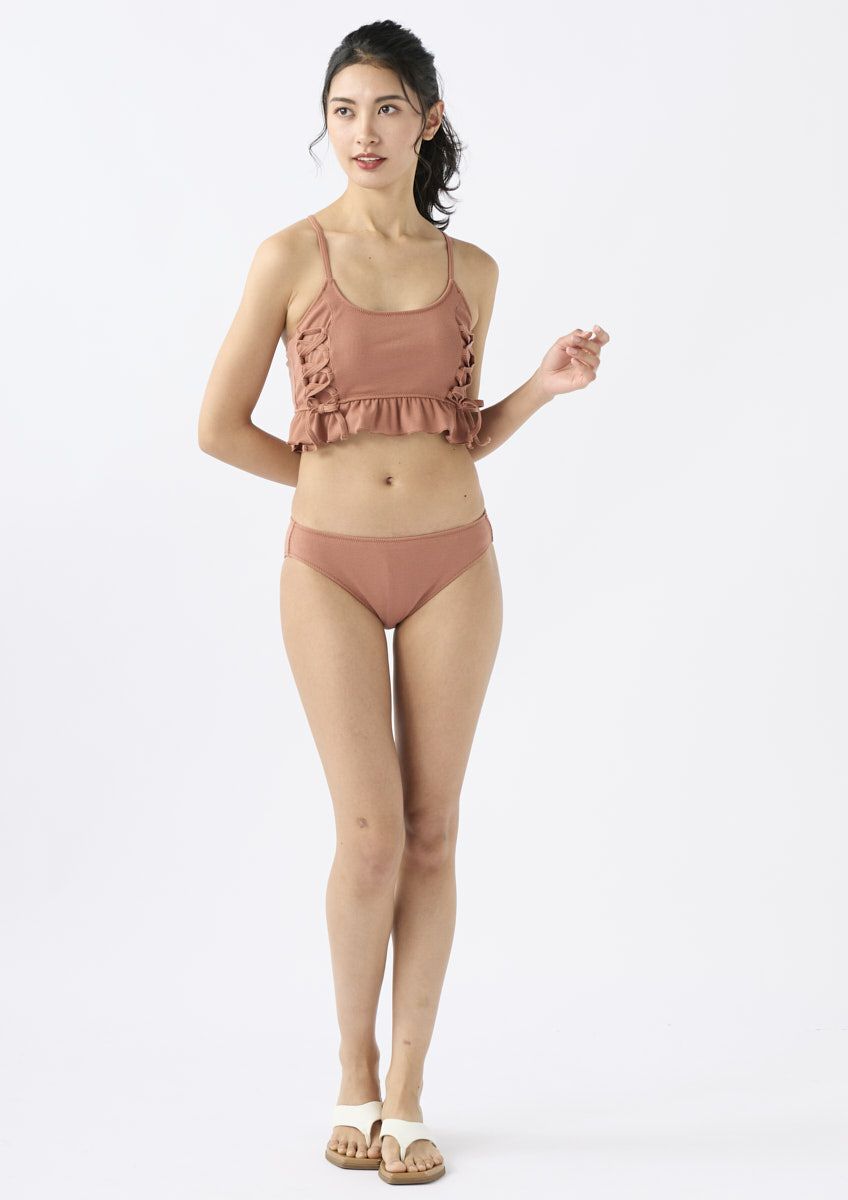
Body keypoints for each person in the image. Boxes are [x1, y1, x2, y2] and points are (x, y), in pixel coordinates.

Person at [198, 20, 608, 1185]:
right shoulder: (288, 256)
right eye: (343, 110)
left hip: (454, 568)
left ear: (427, 120)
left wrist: (541, 388)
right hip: (327, 567)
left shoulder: (472, 271)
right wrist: (327, 482)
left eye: (385, 108)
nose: (362, 132)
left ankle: (411, 1096)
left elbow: (456, 433)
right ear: (325, 124)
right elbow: (216, 427)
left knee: (433, 832)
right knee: (369, 836)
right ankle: (353, 1071)